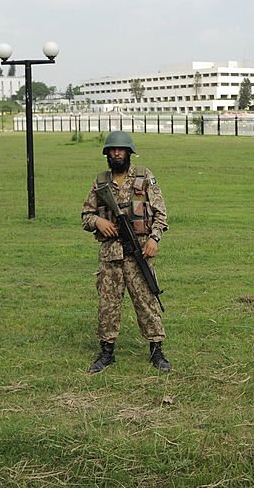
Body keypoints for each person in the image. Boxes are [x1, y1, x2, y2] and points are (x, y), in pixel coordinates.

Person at [81, 131, 170, 373]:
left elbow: (161, 215)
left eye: (121, 150)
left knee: (147, 302)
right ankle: (106, 352)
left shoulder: (144, 177)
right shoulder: (100, 183)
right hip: (110, 256)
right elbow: (86, 216)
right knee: (107, 304)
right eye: (112, 150)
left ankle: (157, 351)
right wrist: (98, 223)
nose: (117, 153)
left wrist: (154, 238)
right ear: (107, 154)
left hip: (139, 252)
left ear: (129, 152)